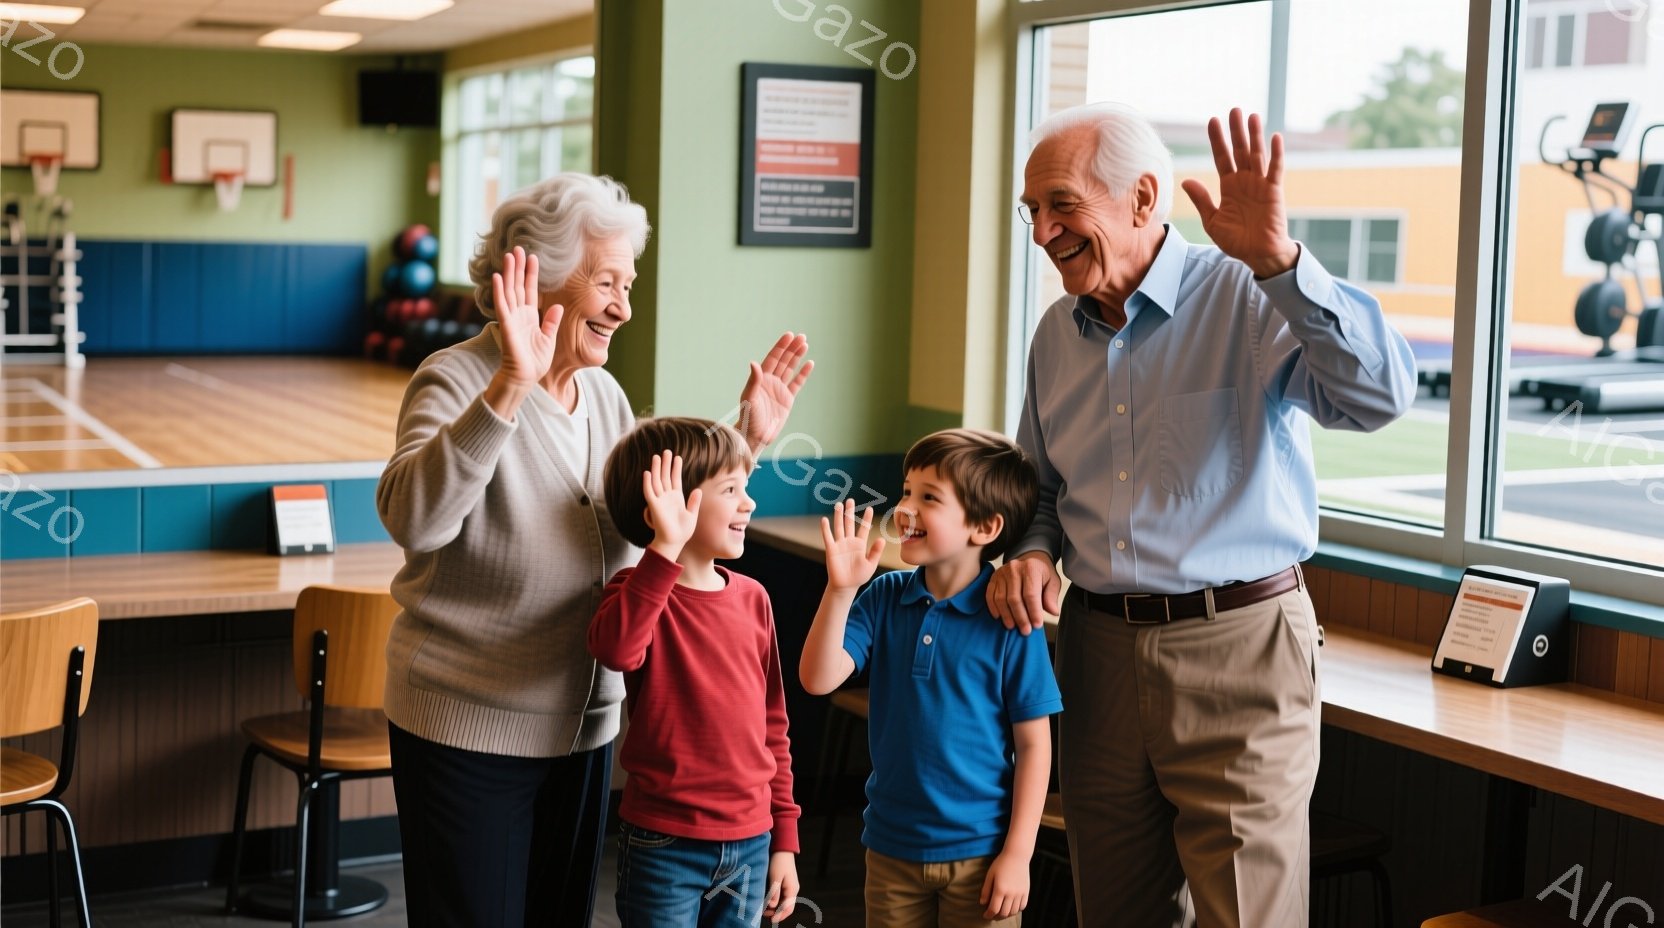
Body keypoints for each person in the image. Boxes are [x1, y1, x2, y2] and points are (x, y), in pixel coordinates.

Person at [988, 104, 1417, 927]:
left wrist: (1281, 265)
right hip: (1098, 651)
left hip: (1242, 649)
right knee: (1115, 911)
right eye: (1030, 212)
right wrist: (1034, 553)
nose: (1042, 231)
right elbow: (1041, 491)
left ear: (1143, 197)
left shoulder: (1247, 298)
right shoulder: (1055, 334)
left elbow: (1379, 397)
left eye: (1060, 206)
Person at [376, 172, 812, 927]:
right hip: (469, 726)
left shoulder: (605, 397)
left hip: (585, 732)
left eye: (628, 282)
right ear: (537, 277)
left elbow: (662, 512)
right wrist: (511, 385)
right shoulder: (454, 379)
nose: (624, 306)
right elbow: (416, 520)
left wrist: (742, 435)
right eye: (606, 281)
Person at [801, 428, 1064, 928]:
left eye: (929, 497)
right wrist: (839, 591)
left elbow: (1035, 747)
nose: (905, 508)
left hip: (984, 859)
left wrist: (1017, 855)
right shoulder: (882, 597)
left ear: (984, 527)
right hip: (889, 848)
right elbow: (818, 679)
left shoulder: (1011, 621)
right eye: (905, 492)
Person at [589, 418, 800, 927]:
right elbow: (616, 650)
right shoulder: (635, 592)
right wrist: (663, 549)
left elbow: (775, 727)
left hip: (752, 841)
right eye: (731, 489)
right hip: (663, 842)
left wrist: (784, 840)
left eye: (744, 487)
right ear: (666, 510)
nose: (748, 502)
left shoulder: (754, 599)